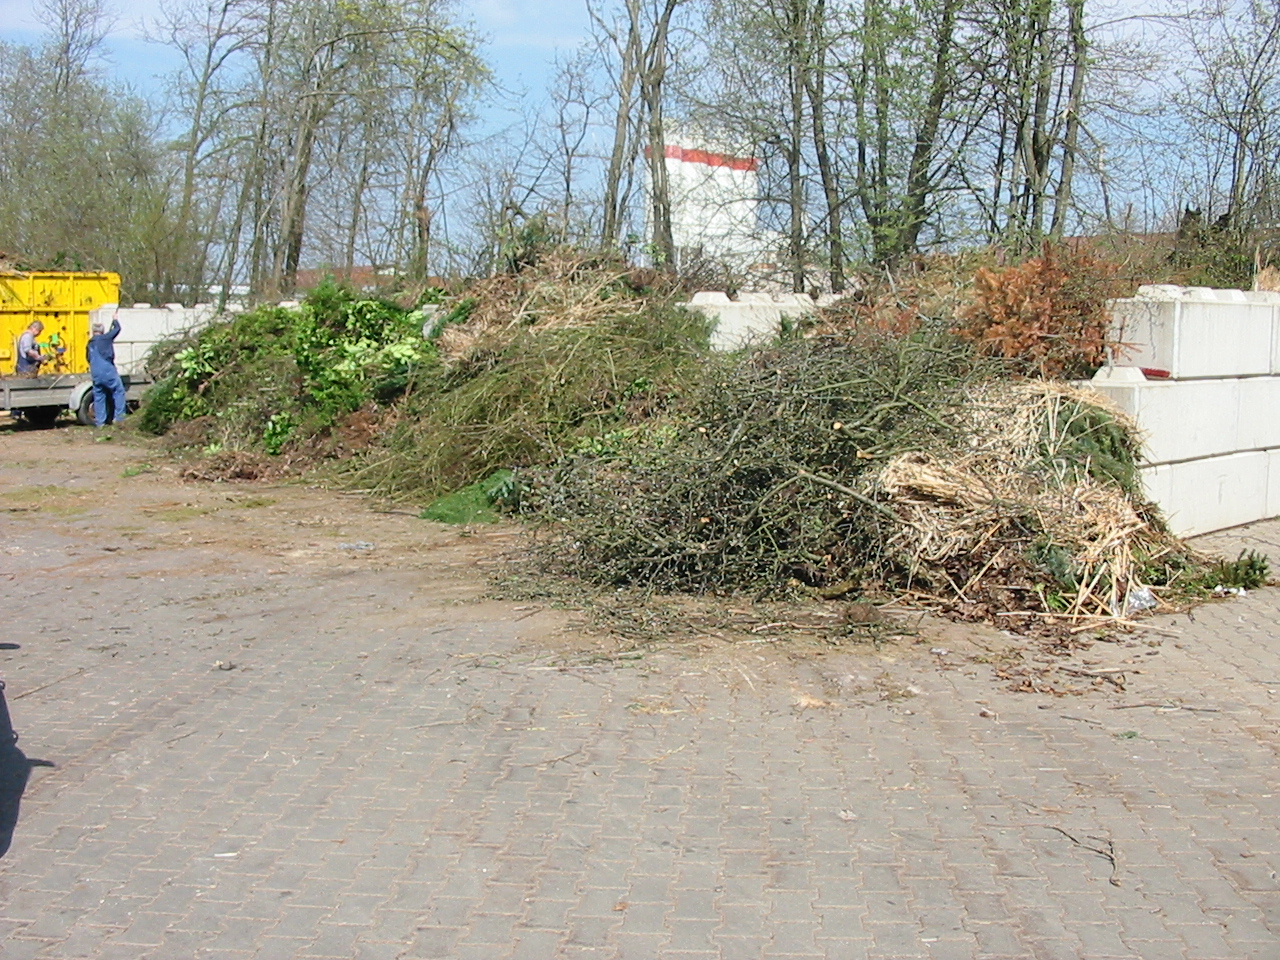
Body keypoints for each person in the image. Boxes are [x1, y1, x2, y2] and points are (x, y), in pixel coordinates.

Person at [86, 313, 127, 426]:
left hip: (95, 372)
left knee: (99, 396)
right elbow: (117, 329)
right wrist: (115, 320)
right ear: (102, 331)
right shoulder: (106, 338)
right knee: (118, 391)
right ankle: (119, 418)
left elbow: (88, 358)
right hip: (107, 371)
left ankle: (100, 423)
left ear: (93, 331)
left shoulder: (90, 343)